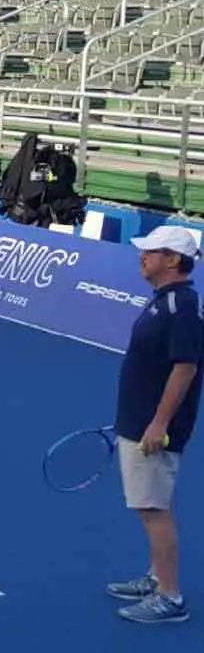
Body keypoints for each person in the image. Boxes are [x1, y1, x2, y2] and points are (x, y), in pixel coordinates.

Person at [110, 225, 204, 625]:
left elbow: (186, 368)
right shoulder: (162, 301)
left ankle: (170, 596)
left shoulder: (180, 308)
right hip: (140, 419)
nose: (142, 256)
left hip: (156, 428)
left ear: (172, 260)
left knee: (153, 507)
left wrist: (158, 422)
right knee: (148, 504)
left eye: (151, 251)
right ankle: (156, 577)